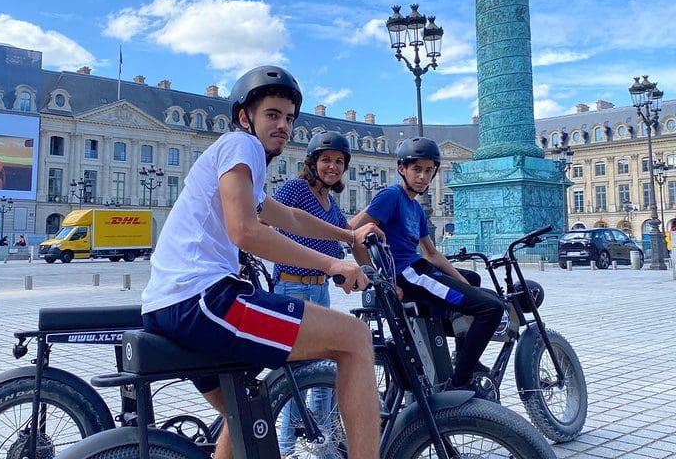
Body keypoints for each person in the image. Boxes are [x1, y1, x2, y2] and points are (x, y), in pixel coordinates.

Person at [140, 66, 381, 459]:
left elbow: (291, 218)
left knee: (250, 413)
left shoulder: (238, 164)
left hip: (171, 306)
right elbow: (246, 232)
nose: (283, 125)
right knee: (354, 339)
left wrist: (348, 236)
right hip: (202, 301)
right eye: (272, 114)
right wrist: (333, 265)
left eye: (289, 118)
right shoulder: (241, 146)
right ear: (244, 117)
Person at [349, 136, 503, 394]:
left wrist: (463, 282)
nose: (423, 176)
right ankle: (459, 380)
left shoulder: (415, 208)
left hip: (420, 268)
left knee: (473, 283)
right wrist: (380, 282)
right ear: (402, 169)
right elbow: (352, 232)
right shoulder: (391, 196)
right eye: (417, 169)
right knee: (491, 309)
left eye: (428, 171)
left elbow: (431, 253)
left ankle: (462, 357)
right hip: (408, 275)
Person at [271, 131, 351, 457]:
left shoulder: (330, 203)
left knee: (320, 373)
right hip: (293, 287)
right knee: (299, 372)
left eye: (338, 162)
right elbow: (268, 218)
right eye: (326, 159)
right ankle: (287, 448)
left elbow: (345, 237)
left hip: (319, 291)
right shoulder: (296, 189)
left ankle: (322, 447)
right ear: (313, 162)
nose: (332, 166)